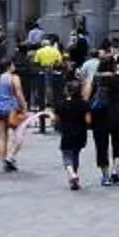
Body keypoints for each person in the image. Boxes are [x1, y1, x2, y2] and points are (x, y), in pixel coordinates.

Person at [88, 44, 119, 185]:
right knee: (118, 143)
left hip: (100, 114)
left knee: (101, 145)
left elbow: (86, 96)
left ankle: (105, 175)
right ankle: (116, 170)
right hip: (118, 112)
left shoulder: (95, 79)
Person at [49, 63, 91, 192]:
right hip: (81, 132)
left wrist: (53, 118)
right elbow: (88, 120)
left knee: (66, 156)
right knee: (76, 154)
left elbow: (55, 120)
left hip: (67, 131)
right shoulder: (84, 104)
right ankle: (74, 178)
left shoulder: (61, 104)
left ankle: (71, 174)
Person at [0, 56, 27, 171]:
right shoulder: (14, 78)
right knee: (18, 133)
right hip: (11, 109)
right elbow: (18, 93)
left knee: (1, 136)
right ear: (9, 66)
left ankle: (3, 160)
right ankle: (11, 157)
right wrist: (24, 106)